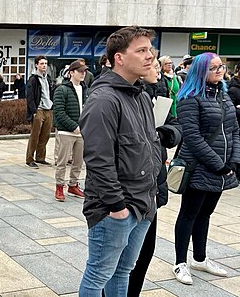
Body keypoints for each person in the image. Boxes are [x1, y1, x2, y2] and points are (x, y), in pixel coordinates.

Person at [78, 26, 161, 296]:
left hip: (143, 205)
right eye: (141, 50)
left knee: (123, 271)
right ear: (119, 58)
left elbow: (151, 144)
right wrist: (116, 207)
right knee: (98, 275)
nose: (150, 55)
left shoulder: (140, 96)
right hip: (115, 210)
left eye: (150, 49)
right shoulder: (104, 100)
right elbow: (98, 161)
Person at [172, 52, 239, 285]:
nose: (220, 71)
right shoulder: (189, 98)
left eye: (221, 66)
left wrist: (233, 161)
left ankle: (199, 258)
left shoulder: (224, 95)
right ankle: (180, 263)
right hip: (199, 166)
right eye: (214, 68)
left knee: (206, 214)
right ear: (201, 71)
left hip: (222, 168)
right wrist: (218, 164)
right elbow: (192, 137)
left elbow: (234, 130)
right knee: (189, 214)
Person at [128, 54, 182, 297]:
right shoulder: (122, 97)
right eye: (153, 65)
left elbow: (177, 126)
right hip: (130, 191)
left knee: (145, 253)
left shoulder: (159, 97)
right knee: (123, 260)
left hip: (153, 187)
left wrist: (163, 134)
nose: (157, 69)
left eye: (159, 65)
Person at [52, 59, 87, 202]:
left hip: (81, 132)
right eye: (80, 71)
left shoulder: (84, 88)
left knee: (78, 161)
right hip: (66, 132)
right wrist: (73, 126)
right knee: (62, 161)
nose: (83, 74)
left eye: (84, 71)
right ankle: (59, 186)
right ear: (71, 73)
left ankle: (73, 185)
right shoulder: (62, 89)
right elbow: (59, 111)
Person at [26, 55, 53, 168]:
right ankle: (30, 159)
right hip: (38, 110)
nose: (44, 66)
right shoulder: (33, 79)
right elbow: (30, 97)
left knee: (45, 136)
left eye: (45, 64)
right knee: (35, 135)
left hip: (48, 109)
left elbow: (50, 93)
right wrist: (33, 111)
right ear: (36, 65)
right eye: (41, 63)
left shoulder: (47, 78)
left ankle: (40, 157)